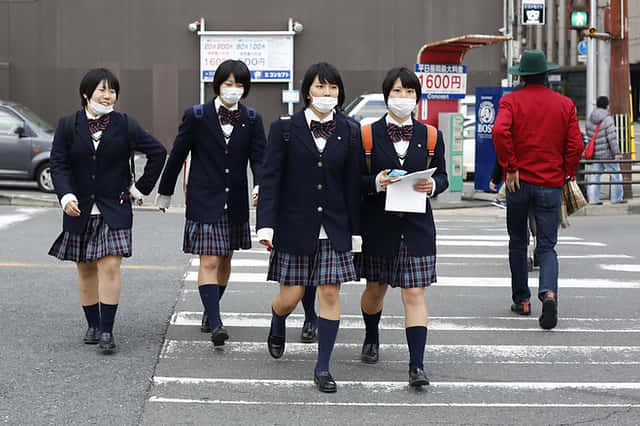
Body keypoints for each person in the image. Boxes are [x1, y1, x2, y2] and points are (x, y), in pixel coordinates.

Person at [256, 62, 361, 393]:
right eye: (320, 87)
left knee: (330, 292)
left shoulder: (350, 129)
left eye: (332, 89)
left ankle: (322, 367)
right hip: (294, 224)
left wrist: (356, 232)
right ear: (307, 92)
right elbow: (270, 179)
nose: (326, 94)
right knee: (291, 296)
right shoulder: (284, 129)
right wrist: (266, 226)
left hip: (333, 225)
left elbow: (353, 185)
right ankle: (278, 318)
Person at [48, 68, 167, 354]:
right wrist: (65, 196)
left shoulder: (126, 124)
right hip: (79, 210)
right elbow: (59, 164)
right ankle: (92, 324)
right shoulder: (68, 125)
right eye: (101, 90)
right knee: (86, 269)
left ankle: (107, 330)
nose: (107, 95)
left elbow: (158, 152)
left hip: (115, 208)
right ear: (86, 94)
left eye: (112, 90)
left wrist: (140, 189)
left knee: (110, 266)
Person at [156, 59, 266, 347]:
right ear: (218, 85)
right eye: (228, 84)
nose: (233, 89)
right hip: (204, 198)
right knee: (210, 259)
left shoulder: (252, 119)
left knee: (226, 258)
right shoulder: (197, 116)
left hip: (236, 200)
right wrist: (165, 192)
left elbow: (260, 159)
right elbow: (178, 153)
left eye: (239, 84)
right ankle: (216, 322)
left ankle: (210, 308)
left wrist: (261, 186)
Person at [356, 67, 448, 387]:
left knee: (414, 293)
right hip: (379, 226)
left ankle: (416, 366)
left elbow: (444, 177)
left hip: (417, 226)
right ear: (386, 97)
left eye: (410, 92)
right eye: (397, 92)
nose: (403, 98)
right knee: (375, 289)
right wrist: (377, 182)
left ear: (417, 98)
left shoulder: (432, 135)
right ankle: (371, 336)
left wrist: (433, 185)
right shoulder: (367, 134)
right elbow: (356, 181)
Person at [493, 50, 583, 329]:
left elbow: (499, 132)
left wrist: (511, 165)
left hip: (518, 183)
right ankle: (549, 294)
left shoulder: (510, 101)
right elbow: (576, 145)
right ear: (546, 74)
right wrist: (566, 171)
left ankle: (522, 300)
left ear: (521, 75)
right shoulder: (564, 104)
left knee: (518, 241)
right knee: (547, 246)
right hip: (551, 183)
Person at [585, 96, 626, 205]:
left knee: (595, 176)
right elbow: (611, 137)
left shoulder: (590, 118)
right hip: (607, 154)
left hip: (595, 153)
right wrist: (616, 152)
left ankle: (593, 200)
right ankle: (616, 198)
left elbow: (589, 136)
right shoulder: (607, 118)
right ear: (607, 106)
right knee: (616, 175)